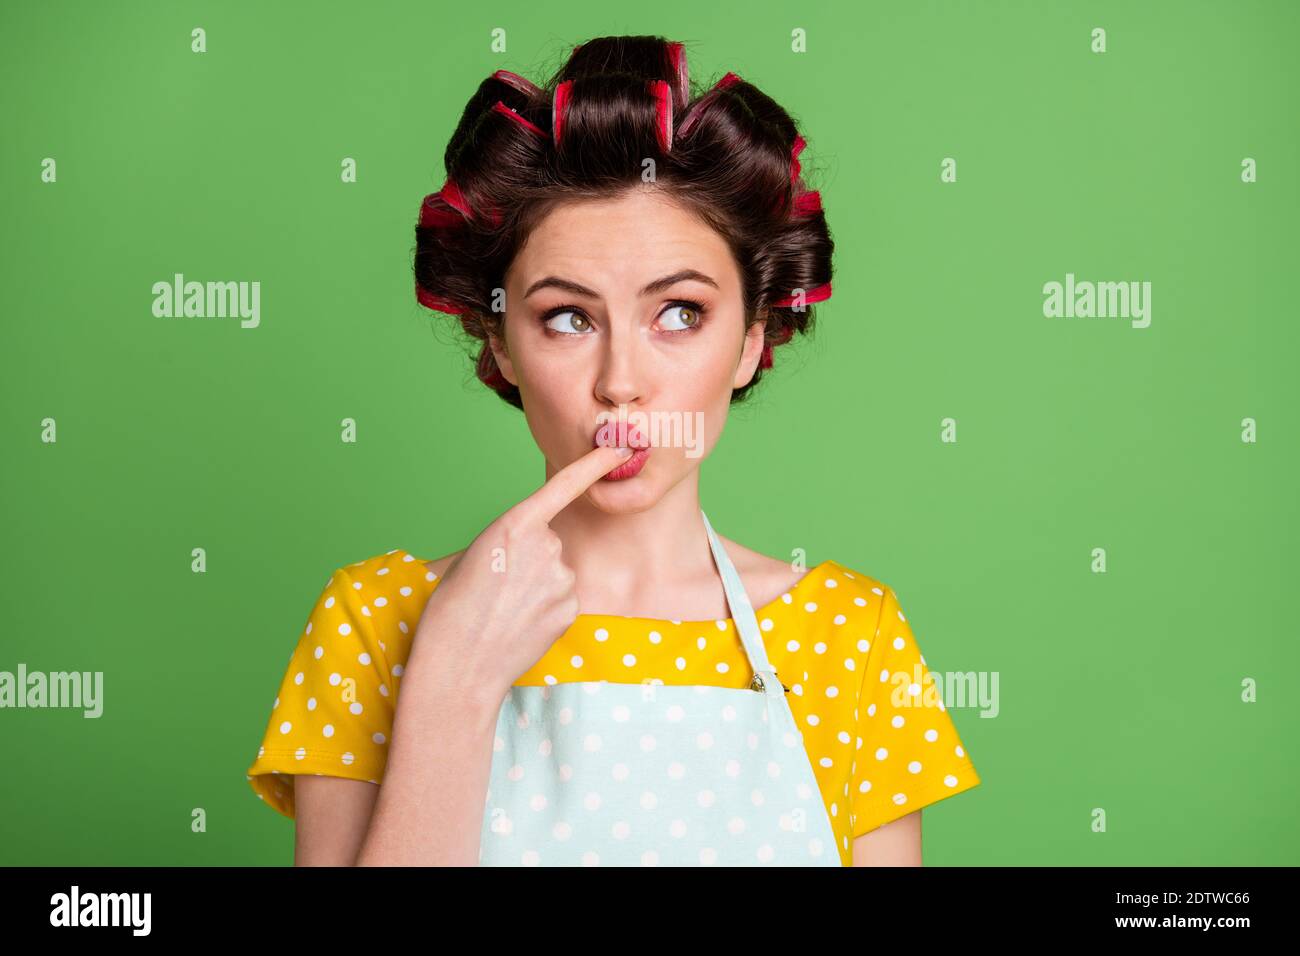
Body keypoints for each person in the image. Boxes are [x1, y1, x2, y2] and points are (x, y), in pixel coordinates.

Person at [245, 34, 980, 866]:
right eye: (568, 317)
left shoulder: (854, 637)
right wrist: (454, 682)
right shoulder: (375, 623)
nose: (621, 383)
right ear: (502, 343)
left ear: (750, 340)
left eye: (680, 313)